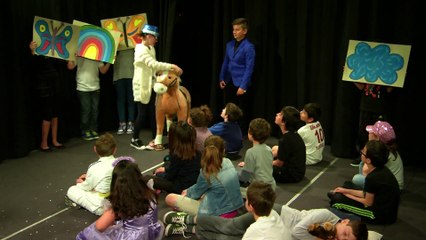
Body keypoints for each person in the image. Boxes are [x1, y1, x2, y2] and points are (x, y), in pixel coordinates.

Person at [162, 135, 244, 237]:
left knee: (170, 198)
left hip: (219, 213)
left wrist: (187, 192)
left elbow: (195, 193)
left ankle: (188, 220)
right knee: (204, 195)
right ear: (223, 150)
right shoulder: (228, 162)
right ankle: (191, 223)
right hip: (236, 209)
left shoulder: (207, 171)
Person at [76, 157, 164, 240]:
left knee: (88, 232)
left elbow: (100, 226)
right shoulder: (149, 191)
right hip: (152, 231)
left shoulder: (122, 202)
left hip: (134, 237)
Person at [130, 24, 183, 150]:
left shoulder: (150, 48)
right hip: (142, 85)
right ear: (148, 36)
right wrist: (172, 66)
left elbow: (153, 68)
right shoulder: (140, 49)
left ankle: (156, 138)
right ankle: (134, 138)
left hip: (151, 84)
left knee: (154, 112)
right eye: (155, 37)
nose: (156, 40)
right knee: (142, 113)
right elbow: (153, 64)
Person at [195, 203, 368, 240]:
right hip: (275, 215)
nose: (341, 238)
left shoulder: (331, 236)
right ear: (344, 221)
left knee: (235, 238)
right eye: (345, 233)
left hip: (276, 232)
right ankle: (191, 219)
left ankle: (194, 230)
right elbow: (297, 231)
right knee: (231, 227)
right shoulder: (324, 214)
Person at [329, 140, 400, 224]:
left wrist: (348, 195)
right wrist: (345, 191)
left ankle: (352, 215)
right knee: (347, 185)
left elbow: (368, 202)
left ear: (369, 160)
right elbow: (365, 193)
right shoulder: (381, 169)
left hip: (379, 215)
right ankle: (340, 195)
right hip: (383, 206)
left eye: (363, 152)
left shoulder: (373, 177)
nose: (361, 152)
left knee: (336, 201)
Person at [142, 121, 201, 194]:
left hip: (180, 187)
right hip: (191, 182)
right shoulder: (196, 151)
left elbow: (169, 177)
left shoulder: (177, 155)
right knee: (166, 163)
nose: (168, 136)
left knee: (147, 178)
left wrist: (160, 174)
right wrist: (165, 169)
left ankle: (156, 185)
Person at [65, 132, 117, 215]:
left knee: (72, 190)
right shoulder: (121, 163)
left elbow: (87, 187)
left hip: (104, 206)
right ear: (115, 149)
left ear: (95, 149)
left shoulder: (94, 167)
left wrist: (81, 183)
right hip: (120, 201)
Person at [219, 18, 255, 132]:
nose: (234, 32)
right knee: (229, 106)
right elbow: (226, 62)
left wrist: (243, 86)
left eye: (237, 29)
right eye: (233, 29)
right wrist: (222, 78)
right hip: (229, 80)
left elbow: (249, 68)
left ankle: (242, 131)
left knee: (241, 108)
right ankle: (229, 128)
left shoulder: (249, 47)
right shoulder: (229, 44)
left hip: (241, 83)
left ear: (244, 31)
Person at [29, 40, 64, 151]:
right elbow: (33, 66)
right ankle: (44, 143)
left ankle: (54, 140)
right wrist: (32, 51)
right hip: (43, 85)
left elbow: (60, 62)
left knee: (55, 113)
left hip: (54, 83)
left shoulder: (52, 49)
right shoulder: (38, 49)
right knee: (47, 114)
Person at [67, 56, 111, 141]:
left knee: (95, 110)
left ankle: (93, 130)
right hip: (83, 87)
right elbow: (70, 66)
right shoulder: (79, 53)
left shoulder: (96, 54)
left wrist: (110, 61)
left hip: (95, 86)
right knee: (86, 110)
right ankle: (85, 131)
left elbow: (103, 71)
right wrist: (74, 58)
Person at [352, 120, 404, 190]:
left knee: (357, 178)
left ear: (377, 138)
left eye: (371, 132)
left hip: (391, 188)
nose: (369, 133)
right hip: (390, 184)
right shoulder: (388, 148)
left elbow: (367, 172)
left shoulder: (380, 153)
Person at [351, 82, 393, 166]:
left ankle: (379, 157)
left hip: (380, 108)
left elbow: (389, 89)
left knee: (380, 135)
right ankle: (363, 156)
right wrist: (350, 76)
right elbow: (361, 87)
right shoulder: (367, 71)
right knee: (363, 133)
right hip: (365, 107)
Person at [238, 118, 276, 196]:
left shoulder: (250, 152)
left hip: (260, 189)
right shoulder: (268, 149)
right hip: (271, 186)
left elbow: (245, 177)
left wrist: (234, 175)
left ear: (251, 134)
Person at [271, 106, 306, 183]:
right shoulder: (294, 134)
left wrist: (263, 162)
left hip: (292, 175)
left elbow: (279, 163)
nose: (277, 114)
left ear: (284, 122)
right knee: (275, 148)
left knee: (262, 168)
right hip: (299, 172)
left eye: (280, 114)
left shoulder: (285, 139)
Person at [113, 49, 136, 135]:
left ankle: (130, 123)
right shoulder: (117, 44)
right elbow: (113, 62)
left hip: (131, 75)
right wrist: (114, 77)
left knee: (131, 100)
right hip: (119, 76)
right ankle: (122, 123)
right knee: (120, 100)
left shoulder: (134, 44)